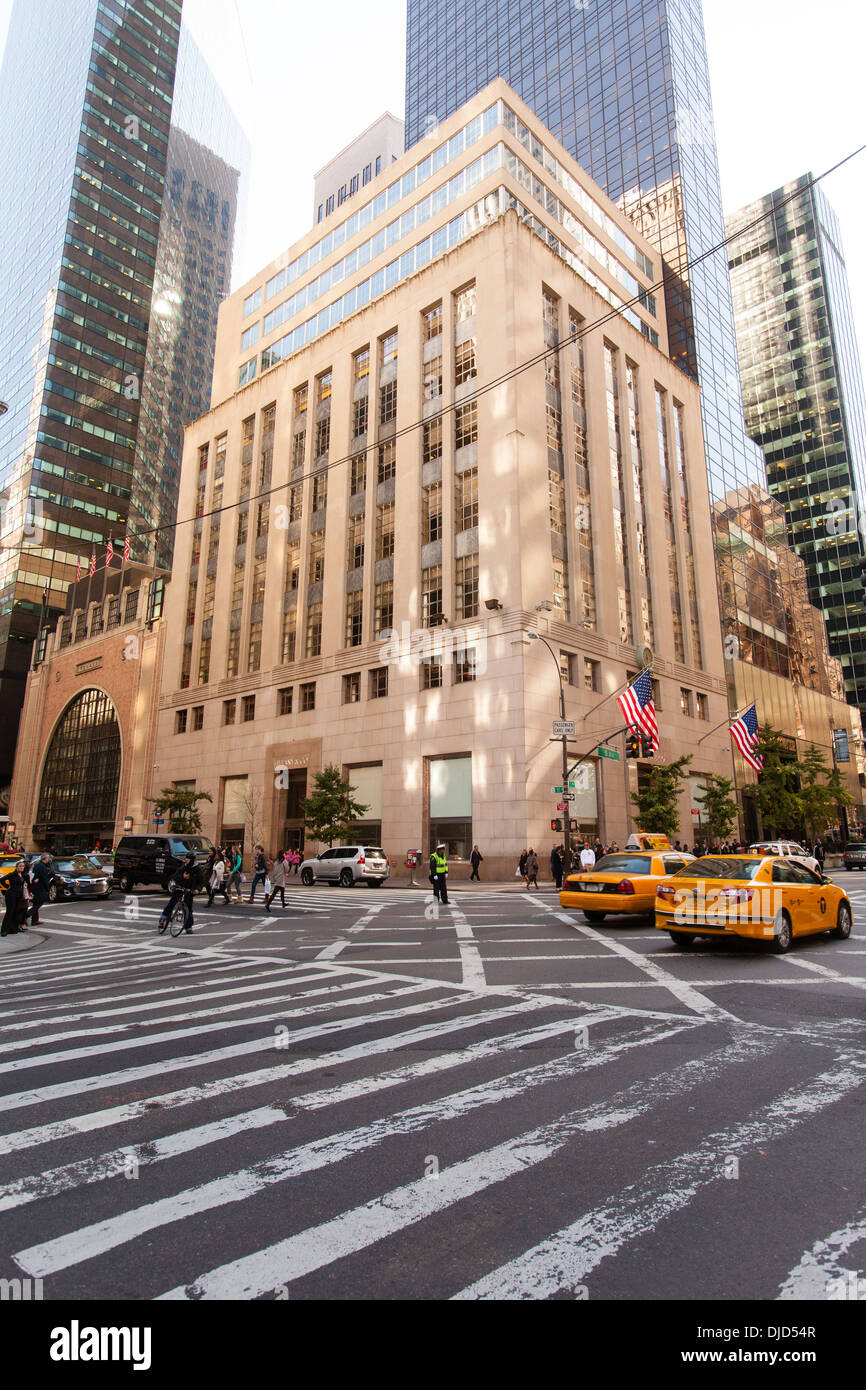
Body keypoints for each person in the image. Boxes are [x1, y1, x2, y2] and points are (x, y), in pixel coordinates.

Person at [158, 853, 202, 935]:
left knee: (188, 908)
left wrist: (197, 889)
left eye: (188, 859)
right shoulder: (183, 867)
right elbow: (175, 876)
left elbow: (201, 881)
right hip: (180, 887)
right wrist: (182, 876)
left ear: (192, 860)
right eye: (186, 859)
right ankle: (163, 918)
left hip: (189, 890)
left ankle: (188, 926)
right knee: (172, 903)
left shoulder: (197, 869)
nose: (186, 860)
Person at [2, 861, 31, 935]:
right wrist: (7, 887)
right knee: (10, 912)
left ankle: (13, 928)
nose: (21, 867)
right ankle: (4, 930)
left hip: (19, 895)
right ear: (17, 867)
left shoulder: (22, 875)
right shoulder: (12, 874)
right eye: (20, 866)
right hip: (11, 895)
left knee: (16, 912)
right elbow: (2, 880)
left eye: (22, 866)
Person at [29, 853, 53, 925]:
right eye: (48, 858)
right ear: (45, 859)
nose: (48, 860)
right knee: (38, 903)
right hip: (40, 888)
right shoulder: (42, 867)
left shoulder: (37, 865)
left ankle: (34, 920)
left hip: (36, 887)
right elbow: (44, 878)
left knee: (36, 903)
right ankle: (26, 915)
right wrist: (47, 888)